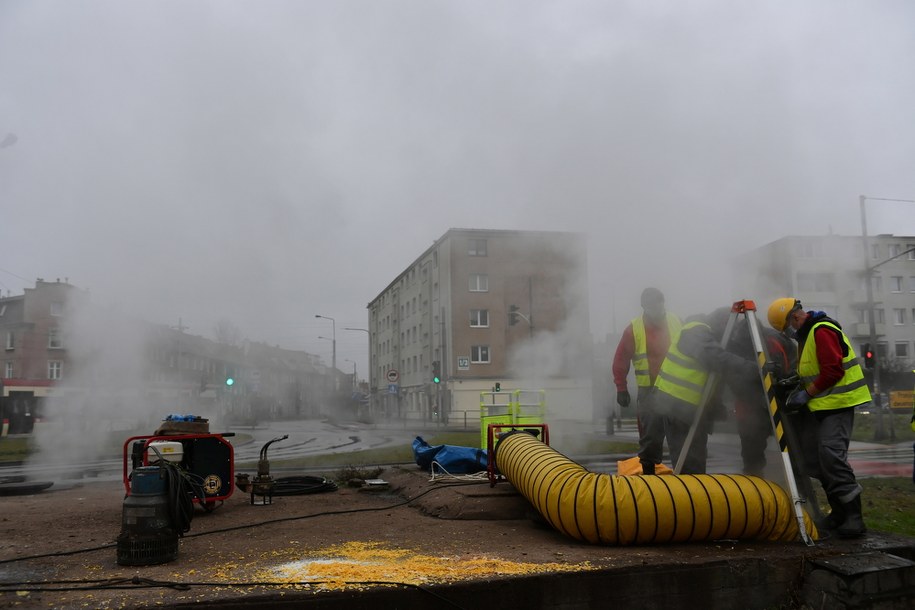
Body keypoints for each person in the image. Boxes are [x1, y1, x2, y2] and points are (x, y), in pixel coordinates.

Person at [767, 297, 870, 538]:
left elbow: (833, 370)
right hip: (822, 406)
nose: (790, 333)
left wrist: (806, 394)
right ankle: (839, 512)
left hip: (838, 404)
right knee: (816, 460)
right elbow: (812, 371)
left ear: (795, 317)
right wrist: (795, 382)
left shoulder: (821, 330)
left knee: (832, 457)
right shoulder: (809, 334)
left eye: (787, 328)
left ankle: (854, 517)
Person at [650, 307, 759, 474]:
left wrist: (716, 405)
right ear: (721, 324)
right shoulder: (695, 331)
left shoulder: (704, 334)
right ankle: (688, 497)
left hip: (687, 408)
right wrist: (755, 369)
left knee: (695, 461)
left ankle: (694, 494)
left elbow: (714, 377)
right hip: (677, 406)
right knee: (688, 463)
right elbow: (716, 359)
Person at [611, 287, 681, 474]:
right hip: (650, 392)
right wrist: (621, 388)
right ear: (644, 307)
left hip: (675, 389)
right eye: (653, 306)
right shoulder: (634, 329)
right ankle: (649, 475)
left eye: (660, 305)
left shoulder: (675, 321)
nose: (658, 310)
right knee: (650, 435)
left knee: (680, 434)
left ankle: (684, 475)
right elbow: (621, 359)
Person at [729, 317, 797, 476]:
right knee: (752, 451)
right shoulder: (736, 345)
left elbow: (792, 366)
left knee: (789, 447)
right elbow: (732, 376)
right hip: (750, 406)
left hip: (778, 400)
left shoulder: (774, 340)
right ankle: (756, 483)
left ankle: (795, 485)